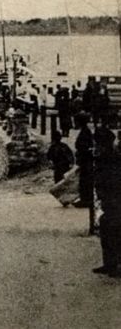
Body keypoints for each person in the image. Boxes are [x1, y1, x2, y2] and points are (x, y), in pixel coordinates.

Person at [93, 127, 121, 276]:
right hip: (109, 199)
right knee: (107, 230)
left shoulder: (112, 158)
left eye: (98, 143)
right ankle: (109, 264)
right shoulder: (105, 156)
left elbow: (113, 181)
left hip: (114, 200)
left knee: (114, 231)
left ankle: (114, 265)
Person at [74, 113, 95, 209]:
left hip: (85, 160)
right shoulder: (85, 131)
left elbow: (85, 146)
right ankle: (85, 198)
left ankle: (86, 199)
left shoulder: (85, 132)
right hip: (85, 159)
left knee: (85, 179)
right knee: (85, 179)